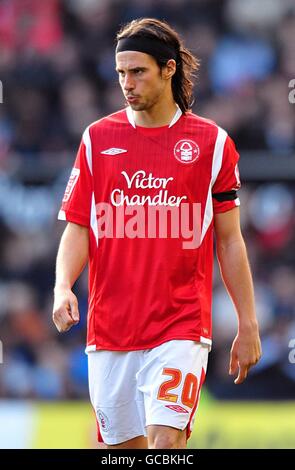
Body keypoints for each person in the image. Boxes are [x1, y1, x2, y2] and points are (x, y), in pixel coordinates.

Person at [53, 18, 262, 449]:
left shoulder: (212, 144)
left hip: (180, 328)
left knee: (165, 445)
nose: (126, 83)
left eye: (138, 71)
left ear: (169, 69)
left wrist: (248, 322)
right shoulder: (97, 139)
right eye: (120, 73)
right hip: (110, 330)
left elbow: (230, 240)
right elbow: (78, 227)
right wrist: (62, 286)